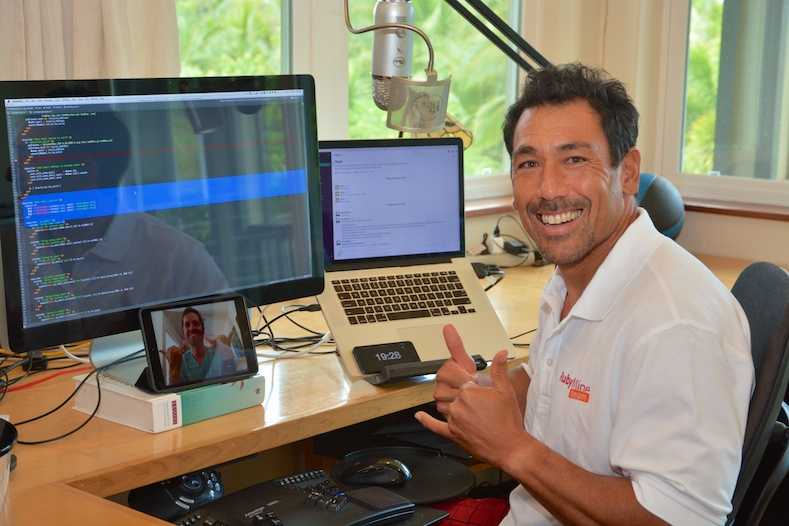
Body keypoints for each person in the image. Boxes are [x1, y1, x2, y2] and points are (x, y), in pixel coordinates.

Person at [415, 63, 754, 525]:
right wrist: (485, 396)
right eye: (529, 163)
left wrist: (513, 449)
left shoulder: (677, 323)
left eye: (574, 159)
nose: (548, 189)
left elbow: (677, 519)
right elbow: (554, 387)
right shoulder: (572, 277)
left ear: (628, 172)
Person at [165, 307, 241, 384]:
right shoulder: (180, 362)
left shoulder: (218, 353)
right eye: (187, 325)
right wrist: (172, 370)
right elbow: (175, 389)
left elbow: (231, 382)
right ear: (183, 331)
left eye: (195, 323)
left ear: (203, 328)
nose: (191, 328)